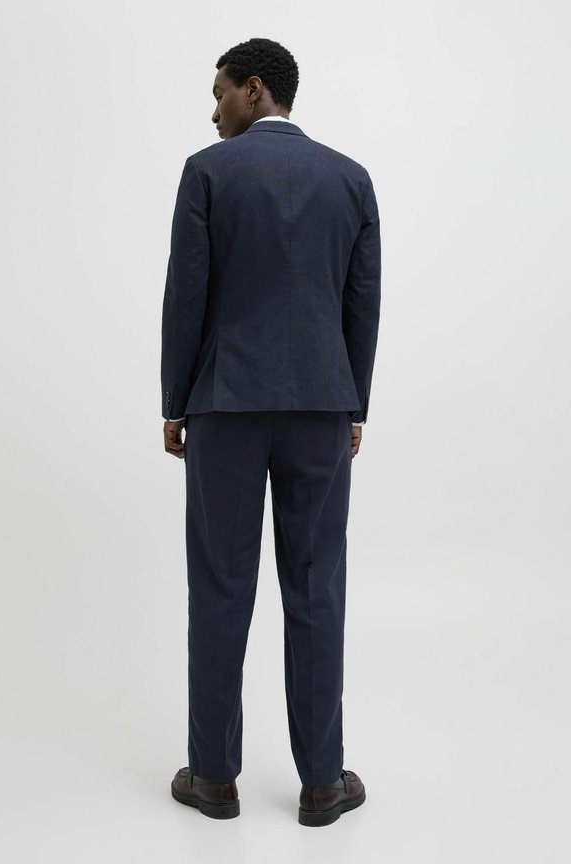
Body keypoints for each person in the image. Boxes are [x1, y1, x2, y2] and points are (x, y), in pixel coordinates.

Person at [161, 37, 381, 827]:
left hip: (225, 405)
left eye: (219, 91)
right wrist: (353, 407)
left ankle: (213, 778)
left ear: (254, 89)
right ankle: (322, 785)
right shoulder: (349, 178)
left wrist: (176, 401)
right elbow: (362, 301)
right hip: (322, 408)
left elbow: (187, 293)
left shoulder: (208, 172)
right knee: (317, 590)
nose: (213, 108)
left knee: (221, 588)